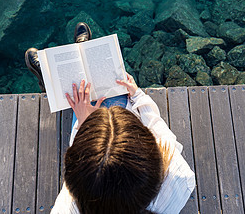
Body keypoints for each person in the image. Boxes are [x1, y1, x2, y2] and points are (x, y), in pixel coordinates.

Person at [25, 23, 195, 214]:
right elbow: (160, 133)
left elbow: (80, 154)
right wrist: (137, 95)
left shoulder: (67, 206)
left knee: (81, 96)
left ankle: (54, 80)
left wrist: (83, 121)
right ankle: (77, 64)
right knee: (114, 91)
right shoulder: (178, 177)